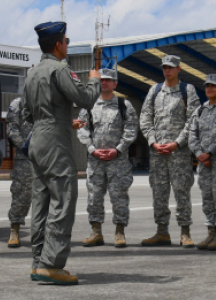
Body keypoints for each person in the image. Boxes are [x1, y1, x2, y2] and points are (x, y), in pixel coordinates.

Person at [20, 21, 100, 285]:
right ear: (58, 44)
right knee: (64, 197)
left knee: (41, 201)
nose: (67, 45)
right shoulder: (60, 69)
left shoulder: (32, 73)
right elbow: (84, 99)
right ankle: (51, 264)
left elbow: (25, 113)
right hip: (55, 139)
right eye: (66, 41)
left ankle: (37, 261)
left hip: (37, 138)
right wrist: (94, 81)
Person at [139, 54, 201, 247]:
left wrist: (178, 142)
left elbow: (193, 120)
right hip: (157, 153)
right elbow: (145, 119)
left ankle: (185, 232)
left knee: (182, 191)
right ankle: (161, 232)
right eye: (165, 67)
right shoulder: (154, 91)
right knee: (159, 192)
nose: (167, 70)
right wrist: (152, 142)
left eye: (171, 67)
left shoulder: (187, 90)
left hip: (179, 153)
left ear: (178, 69)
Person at [77, 69, 138, 248]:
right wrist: (91, 149)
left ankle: (119, 232)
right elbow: (82, 129)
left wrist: (117, 150)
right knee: (94, 197)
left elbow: (131, 129)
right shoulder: (88, 105)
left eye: (108, 80)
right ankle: (96, 232)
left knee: (119, 197)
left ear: (114, 84)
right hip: (95, 161)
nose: (104, 83)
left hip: (117, 162)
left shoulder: (123, 105)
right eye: (101, 80)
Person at [188, 73, 216, 251]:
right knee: (207, 197)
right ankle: (210, 231)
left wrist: (209, 152)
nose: (209, 89)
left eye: (214, 86)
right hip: (203, 163)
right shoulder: (200, 109)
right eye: (207, 86)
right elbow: (192, 134)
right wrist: (199, 153)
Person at [4, 96, 33, 248]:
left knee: (50, 195)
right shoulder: (19, 104)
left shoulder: (50, 101)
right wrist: (24, 147)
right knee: (21, 194)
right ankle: (14, 230)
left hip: (47, 157)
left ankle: (46, 233)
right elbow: (12, 129)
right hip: (25, 157)